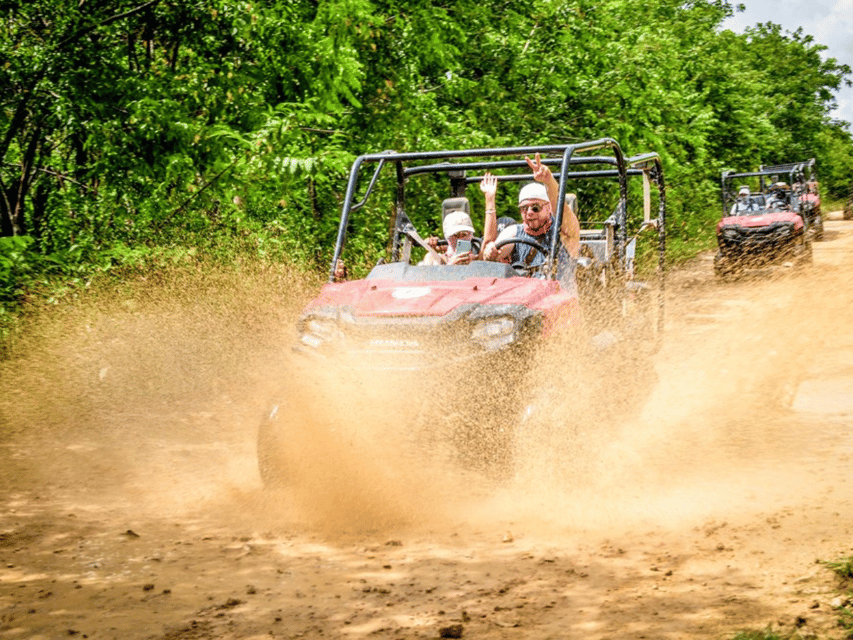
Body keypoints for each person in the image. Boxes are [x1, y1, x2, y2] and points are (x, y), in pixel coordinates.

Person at [482, 153, 580, 282]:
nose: (529, 213)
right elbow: (492, 254)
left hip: (559, 296)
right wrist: (490, 252)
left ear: (548, 207)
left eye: (535, 207)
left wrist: (549, 182)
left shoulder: (563, 232)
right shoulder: (514, 232)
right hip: (523, 298)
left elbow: (565, 219)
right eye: (524, 208)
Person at [421, 172, 499, 265]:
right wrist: (451, 267)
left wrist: (490, 198)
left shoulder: (476, 260)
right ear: (447, 237)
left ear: (471, 235)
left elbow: (488, 241)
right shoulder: (437, 259)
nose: (460, 239)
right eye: (456, 235)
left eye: (465, 234)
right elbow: (429, 277)